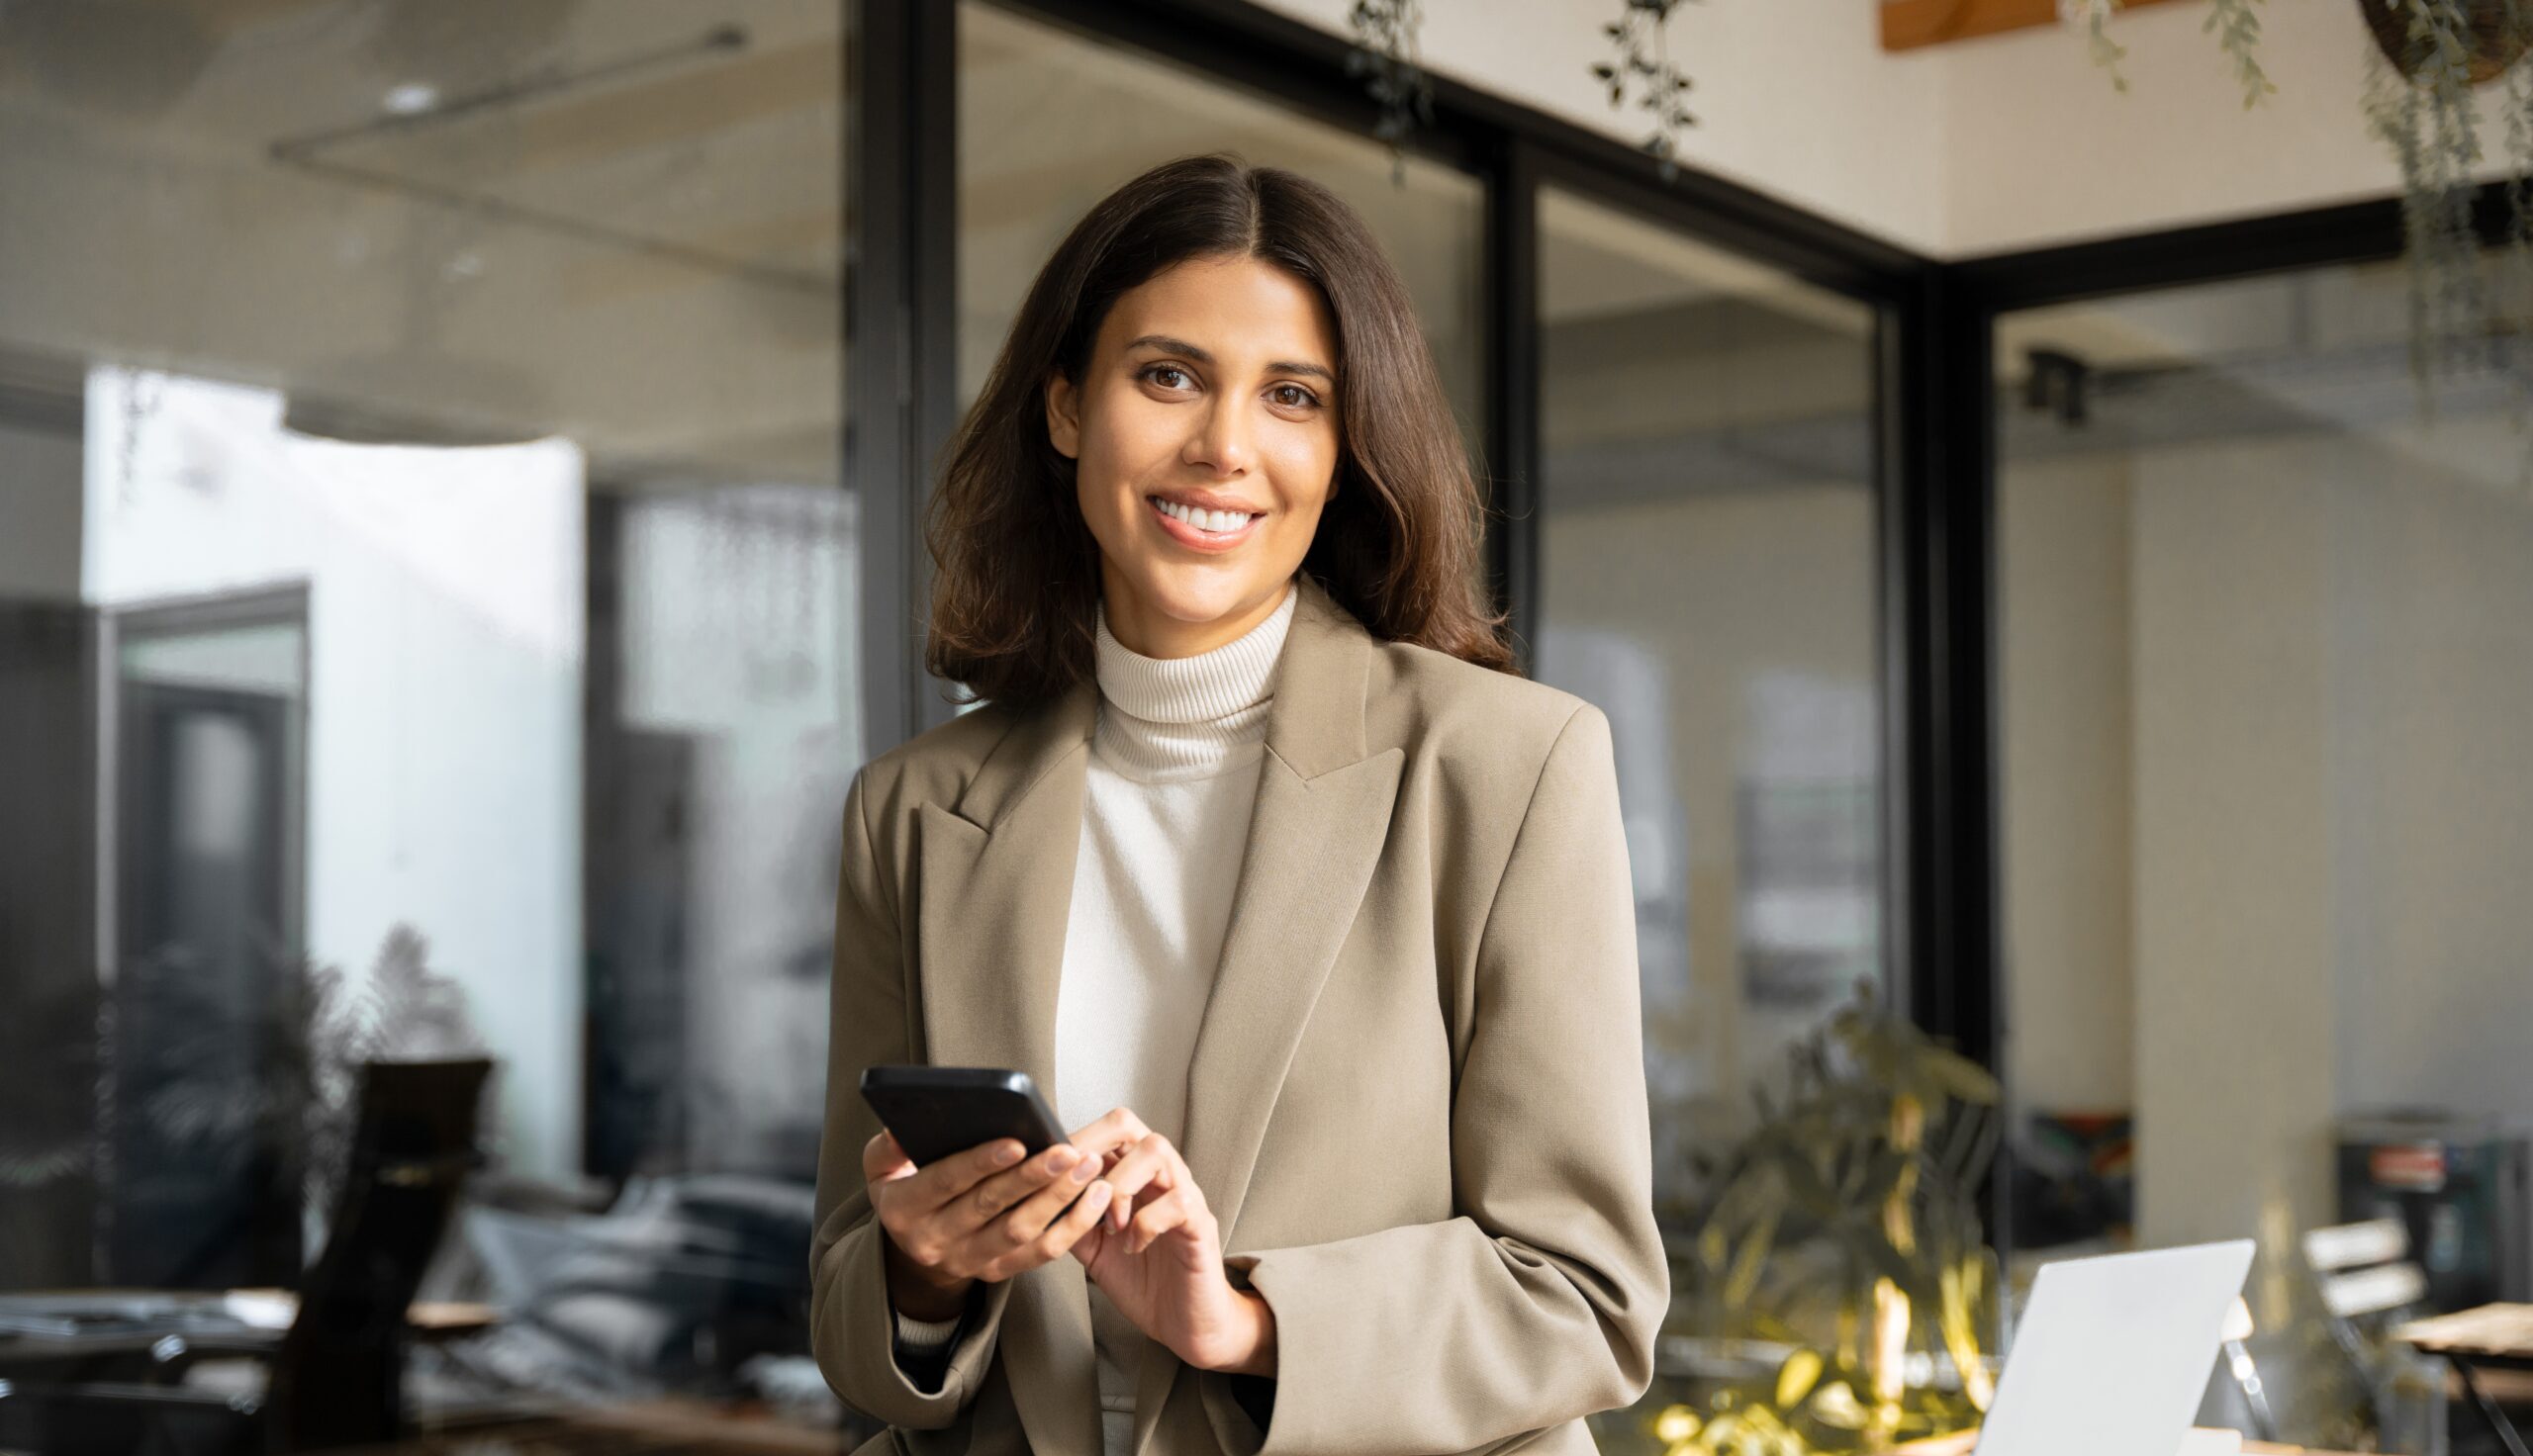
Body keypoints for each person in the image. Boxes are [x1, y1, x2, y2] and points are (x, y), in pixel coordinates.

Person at [809, 151, 1666, 1456]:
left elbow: (1588, 1301)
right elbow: (847, 1303)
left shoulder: (1507, 768)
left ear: (1343, 445)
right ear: (1064, 409)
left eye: (1293, 396)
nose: (1223, 445)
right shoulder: (912, 810)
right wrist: (924, 1277)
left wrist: (1249, 1322)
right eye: (1167, 376)